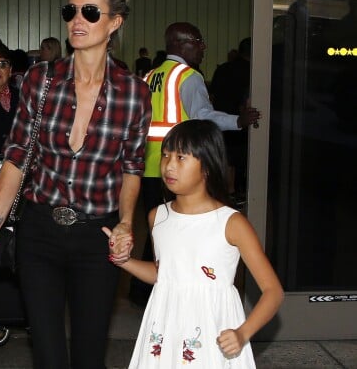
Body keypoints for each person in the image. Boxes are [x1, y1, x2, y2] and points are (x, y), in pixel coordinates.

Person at [0, 0, 152, 369]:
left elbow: (132, 167)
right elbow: (18, 156)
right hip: (40, 233)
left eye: (90, 11)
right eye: (71, 11)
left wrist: (125, 224)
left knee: (89, 355)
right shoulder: (40, 79)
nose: (77, 20)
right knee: (49, 356)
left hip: (96, 237)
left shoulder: (134, 92)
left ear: (114, 22)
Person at [106, 120, 283, 368]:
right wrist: (124, 261)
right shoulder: (158, 216)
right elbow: (164, 273)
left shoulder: (231, 223)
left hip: (210, 333)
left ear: (207, 167)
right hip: (165, 326)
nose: (169, 165)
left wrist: (243, 333)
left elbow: (273, 291)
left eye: (181, 157)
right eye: (166, 155)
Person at [129, 23, 260, 307]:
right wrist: (238, 121)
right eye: (199, 41)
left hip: (151, 165)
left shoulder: (151, 75)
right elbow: (203, 116)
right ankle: (160, 291)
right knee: (174, 234)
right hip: (179, 167)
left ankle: (140, 292)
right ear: (182, 43)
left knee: (157, 232)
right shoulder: (187, 76)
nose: (203, 47)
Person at [209, 37, 253, 198]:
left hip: (221, 121)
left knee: (226, 159)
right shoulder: (255, 71)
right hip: (244, 122)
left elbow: (212, 96)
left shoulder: (223, 69)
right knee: (244, 159)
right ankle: (242, 193)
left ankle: (227, 194)